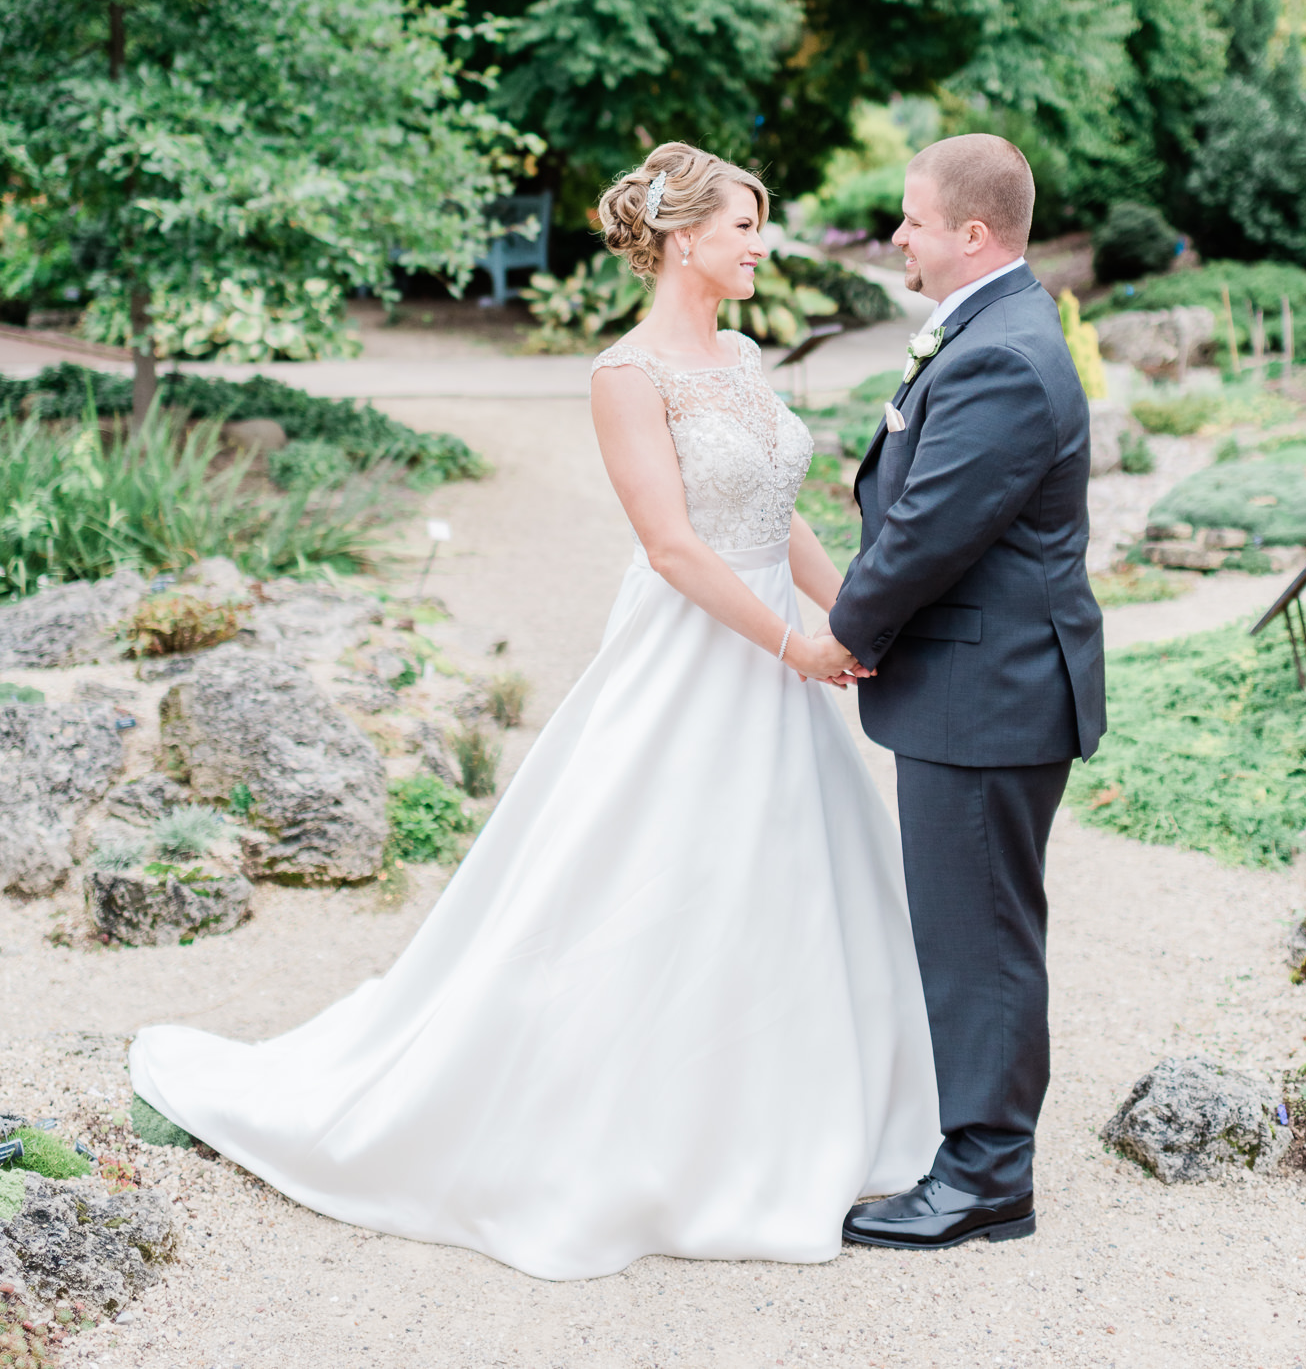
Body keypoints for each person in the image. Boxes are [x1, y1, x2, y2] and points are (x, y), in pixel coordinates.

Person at [129, 142, 939, 1282]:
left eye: (762, 226)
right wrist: (793, 644)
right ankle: (602, 1136)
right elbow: (671, 545)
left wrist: (846, 614)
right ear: (683, 237)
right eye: (747, 227)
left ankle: (776, 1121)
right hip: (691, 653)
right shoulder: (626, 375)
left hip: (774, 648)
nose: (763, 245)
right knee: (639, 874)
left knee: (785, 882)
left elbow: (776, 513)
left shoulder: (747, 354)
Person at [810, 133, 1105, 1253]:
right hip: (983, 680)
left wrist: (842, 633)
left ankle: (985, 1178)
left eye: (912, 220)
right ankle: (981, 1158)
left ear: (971, 234)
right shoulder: (998, 325)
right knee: (974, 925)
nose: (897, 237)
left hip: (987, 692)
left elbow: (930, 529)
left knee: (977, 934)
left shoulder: (1003, 354)